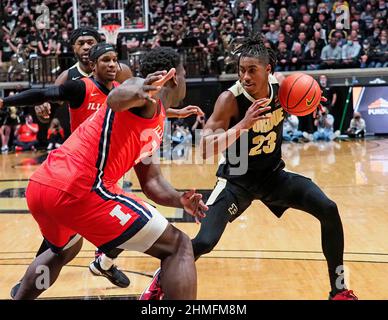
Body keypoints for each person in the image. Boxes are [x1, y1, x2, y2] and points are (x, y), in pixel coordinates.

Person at [143, 34, 358, 300]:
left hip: (272, 177)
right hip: (236, 182)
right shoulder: (230, 99)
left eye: (252, 70)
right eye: (241, 70)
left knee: (328, 209)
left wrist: (311, 101)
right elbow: (206, 147)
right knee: (204, 242)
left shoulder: (284, 89)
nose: (245, 76)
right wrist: (242, 125)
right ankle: (160, 280)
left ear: (268, 70)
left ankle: (338, 291)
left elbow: (302, 98)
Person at [0, 53, 207, 300]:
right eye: (184, 74)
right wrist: (140, 90)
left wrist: (179, 199)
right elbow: (116, 99)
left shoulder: (157, 116)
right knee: (179, 245)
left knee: (63, 250)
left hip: (44, 186)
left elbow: (152, 182)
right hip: (82, 188)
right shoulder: (137, 89)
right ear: (173, 77)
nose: (186, 80)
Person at [3, 42, 130, 292]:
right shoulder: (80, 87)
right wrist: (4, 102)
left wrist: (175, 112)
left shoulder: (121, 92)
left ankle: (104, 263)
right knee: (60, 242)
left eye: (115, 60)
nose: (113, 65)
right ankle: (30, 283)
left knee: (129, 221)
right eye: (106, 60)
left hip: (108, 171)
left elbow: (148, 108)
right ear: (93, 65)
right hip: (78, 170)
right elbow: (41, 94)